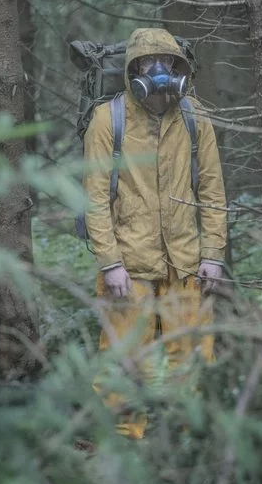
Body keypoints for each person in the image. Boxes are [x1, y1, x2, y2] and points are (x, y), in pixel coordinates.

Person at [82, 27, 228, 440]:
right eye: (148, 63)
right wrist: (110, 263)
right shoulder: (107, 120)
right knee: (124, 360)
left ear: (180, 67)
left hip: (186, 262)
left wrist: (213, 254)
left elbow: (212, 190)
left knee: (192, 357)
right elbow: (95, 199)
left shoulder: (195, 118)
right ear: (133, 69)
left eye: (167, 62)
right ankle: (122, 444)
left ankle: (188, 441)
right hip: (129, 265)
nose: (158, 69)